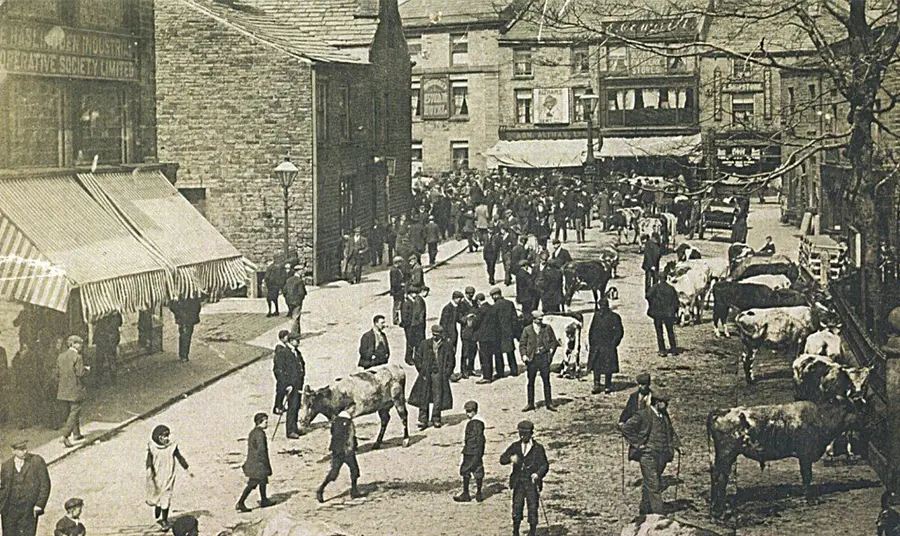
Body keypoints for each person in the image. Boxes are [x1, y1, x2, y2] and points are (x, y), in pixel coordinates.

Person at [621, 393, 680, 516]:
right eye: (665, 402)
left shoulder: (664, 416)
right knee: (654, 485)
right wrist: (638, 444)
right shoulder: (643, 414)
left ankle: (644, 510)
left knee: (652, 482)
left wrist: (677, 445)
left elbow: (670, 430)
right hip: (647, 455)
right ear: (657, 402)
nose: (667, 405)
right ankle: (659, 516)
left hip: (662, 455)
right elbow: (626, 429)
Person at [499, 420, 549, 536]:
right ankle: (515, 531)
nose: (523, 436)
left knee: (532, 508)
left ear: (531, 433)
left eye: (525, 434)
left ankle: (532, 532)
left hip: (532, 483)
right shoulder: (515, 446)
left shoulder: (538, 448)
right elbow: (502, 459)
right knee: (517, 507)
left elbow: (544, 465)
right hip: (518, 483)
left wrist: (537, 474)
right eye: (520, 434)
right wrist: (510, 458)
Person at [0, 439, 50, 536]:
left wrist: (39, 504)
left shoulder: (36, 461)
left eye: (25, 448)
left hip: (28, 509)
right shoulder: (6, 466)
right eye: (21, 449)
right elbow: (3, 487)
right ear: (13, 451)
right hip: (9, 510)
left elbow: (45, 484)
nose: (25, 451)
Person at [145, 425, 191, 530]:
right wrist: (149, 470)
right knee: (157, 495)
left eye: (167, 436)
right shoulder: (152, 448)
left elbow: (179, 457)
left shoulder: (172, 447)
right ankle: (158, 506)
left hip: (169, 476)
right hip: (156, 476)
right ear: (158, 437)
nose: (166, 439)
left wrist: (187, 468)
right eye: (163, 436)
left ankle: (164, 520)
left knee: (166, 497)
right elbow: (149, 461)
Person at [409, 325, 455, 429]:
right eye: (434, 335)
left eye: (437, 335)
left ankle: (436, 419)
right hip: (426, 374)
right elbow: (417, 358)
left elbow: (451, 362)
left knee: (438, 397)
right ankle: (423, 420)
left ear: (441, 335)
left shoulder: (447, 345)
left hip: (439, 375)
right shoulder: (425, 344)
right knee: (423, 396)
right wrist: (422, 370)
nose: (435, 337)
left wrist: (446, 373)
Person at [316, 411, 363, 502]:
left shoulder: (335, 422)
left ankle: (321, 488)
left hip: (337, 451)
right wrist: (353, 447)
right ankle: (354, 491)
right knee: (354, 470)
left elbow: (333, 434)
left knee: (334, 473)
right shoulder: (349, 423)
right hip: (347, 451)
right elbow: (351, 437)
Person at [519, 311, 558, 412]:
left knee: (546, 381)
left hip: (544, 357)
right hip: (532, 359)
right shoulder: (527, 330)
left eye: (541, 319)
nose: (541, 321)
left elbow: (554, 342)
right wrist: (524, 355)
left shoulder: (547, 328)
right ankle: (530, 403)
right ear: (533, 319)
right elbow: (522, 344)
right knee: (530, 381)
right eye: (538, 319)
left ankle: (549, 403)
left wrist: (550, 352)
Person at [236, 413, 273, 512]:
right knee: (253, 483)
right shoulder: (260, 434)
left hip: (253, 462)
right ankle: (240, 502)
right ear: (260, 422)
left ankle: (264, 500)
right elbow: (261, 450)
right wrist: (265, 463)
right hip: (258, 463)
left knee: (263, 481)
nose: (267, 423)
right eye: (265, 421)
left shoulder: (253, 432)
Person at [57, 335, 89, 448]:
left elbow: (58, 373)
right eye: (80, 344)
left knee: (71, 411)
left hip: (63, 389)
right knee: (75, 411)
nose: (81, 346)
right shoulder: (77, 357)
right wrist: (86, 369)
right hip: (75, 389)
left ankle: (77, 434)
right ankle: (65, 435)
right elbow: (80, 373)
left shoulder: (61, 356)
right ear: (73, 344)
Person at [587, 297, 624, 394]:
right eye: (601, 306)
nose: (602, 308)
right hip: (597, 346)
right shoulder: (597, 316)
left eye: (604, 306)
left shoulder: (614, 317)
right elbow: (592, 330)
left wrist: (614, 344)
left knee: (608, 367)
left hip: (608, 346)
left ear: (607, 306)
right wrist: (591, 343)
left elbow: (619, 332)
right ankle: (596, 384)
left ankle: (608, 385)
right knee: (596, 366)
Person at [273, 332, 304, 439]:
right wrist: (286, 385)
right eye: (297, 340)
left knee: (296, 407)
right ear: (291, 341)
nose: (299, 342)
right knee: (292, 407)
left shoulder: (296, 352)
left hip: (298, 385)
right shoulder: (283, 353)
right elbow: (279, 371)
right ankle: (290, 430)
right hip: (291, 386)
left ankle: (295, 427)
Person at [454, 400, 485, 503]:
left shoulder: (473, 423)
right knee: (478, 470)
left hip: (470, 451)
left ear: (475, 411)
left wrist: (470, 449)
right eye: (467, 411)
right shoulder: (479, 422)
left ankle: (466, 493)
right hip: (477, 451)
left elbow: (474, 438)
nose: (468, 414)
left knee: (465, 470)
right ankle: (479, 493)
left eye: (469, 411)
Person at [646, 276, 679, 356]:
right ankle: (673, 349)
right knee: (670, 331)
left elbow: (647, 296)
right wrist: (674, 311)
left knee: (659, 331)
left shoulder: (655, 287)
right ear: (666, 279)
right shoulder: (671, 288)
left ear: (659, 279)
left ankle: (662, 350)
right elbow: (676, 301)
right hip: (669, 313)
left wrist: (653, 303)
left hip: (658, 312)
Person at [491, 287, 519, 378]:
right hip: (508, 331)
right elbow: (515, 319)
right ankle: (514, 370)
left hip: (498, 333)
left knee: (498, 353)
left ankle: (500, 372)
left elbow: (493, 321)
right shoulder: (509, 303)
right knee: (510, 351)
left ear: (495, 295)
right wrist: (514, 331)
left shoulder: (494, 306)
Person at [473, 293, 499, 384]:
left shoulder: (481, 310)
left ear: (478, 301)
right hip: (493, 336)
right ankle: (490, 375)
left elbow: (476, 323)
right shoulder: (492, 308)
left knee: (484, 357)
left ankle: (486, 376)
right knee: (490, 356)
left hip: (483, 337)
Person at [169, 296, 202, 362]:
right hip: (183, 317)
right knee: (185, 334)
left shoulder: (191, 295)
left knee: (187, 335)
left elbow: (198, 305)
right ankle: (183, 355)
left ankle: (184, 354)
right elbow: (172, 305)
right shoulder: (179, 295)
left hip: (189, 316)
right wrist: (179, 314)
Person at [400, 285, 427, 366]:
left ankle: (416, 357)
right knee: (410, 342)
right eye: (414, 293)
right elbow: (405, 315)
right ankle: (408, 358)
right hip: (410, 326)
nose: (416, 295)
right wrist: (407, 325)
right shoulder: (406, 302)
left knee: (417, 341)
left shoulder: (414, 301)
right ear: (410, 294)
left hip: (416, 325)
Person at [92, 312, 122, 381]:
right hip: (110, 340)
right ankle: (113, 379)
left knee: (100, 360)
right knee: (111, 360)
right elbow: (120, 323)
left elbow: (94, 322)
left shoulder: (100, 313)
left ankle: (99, 379)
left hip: (102, 340)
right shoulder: (116, 314)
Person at [440, 292, 462, 369]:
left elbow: (458, 319)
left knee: (453, 353)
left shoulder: (456, 307)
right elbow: (443, 324)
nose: (460, 300)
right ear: (455, 298)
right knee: (448, 354)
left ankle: (450, 371)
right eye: (459, 298)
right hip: (448, 335)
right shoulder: (447, 308)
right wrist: (445, 336)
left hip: (454, 334)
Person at [271, 329, 291, 415]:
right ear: (282, 338)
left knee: (283, 390)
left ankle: (280, 405)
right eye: (287, 336)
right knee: (280, 390)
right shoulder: (280, 348)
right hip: (280, 373)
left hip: (281, 372)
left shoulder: (283, 347)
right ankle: (277, 407)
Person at [389, 256, 406, 325]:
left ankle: (399, 318)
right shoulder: (394, 270)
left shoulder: (398, 269)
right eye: (400, 262)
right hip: (397, 291)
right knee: (397, 305)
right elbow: (394, 282)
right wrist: (401, 284)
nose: (402, 264)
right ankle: (395, 319)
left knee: (399, 304)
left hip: (399, 291)